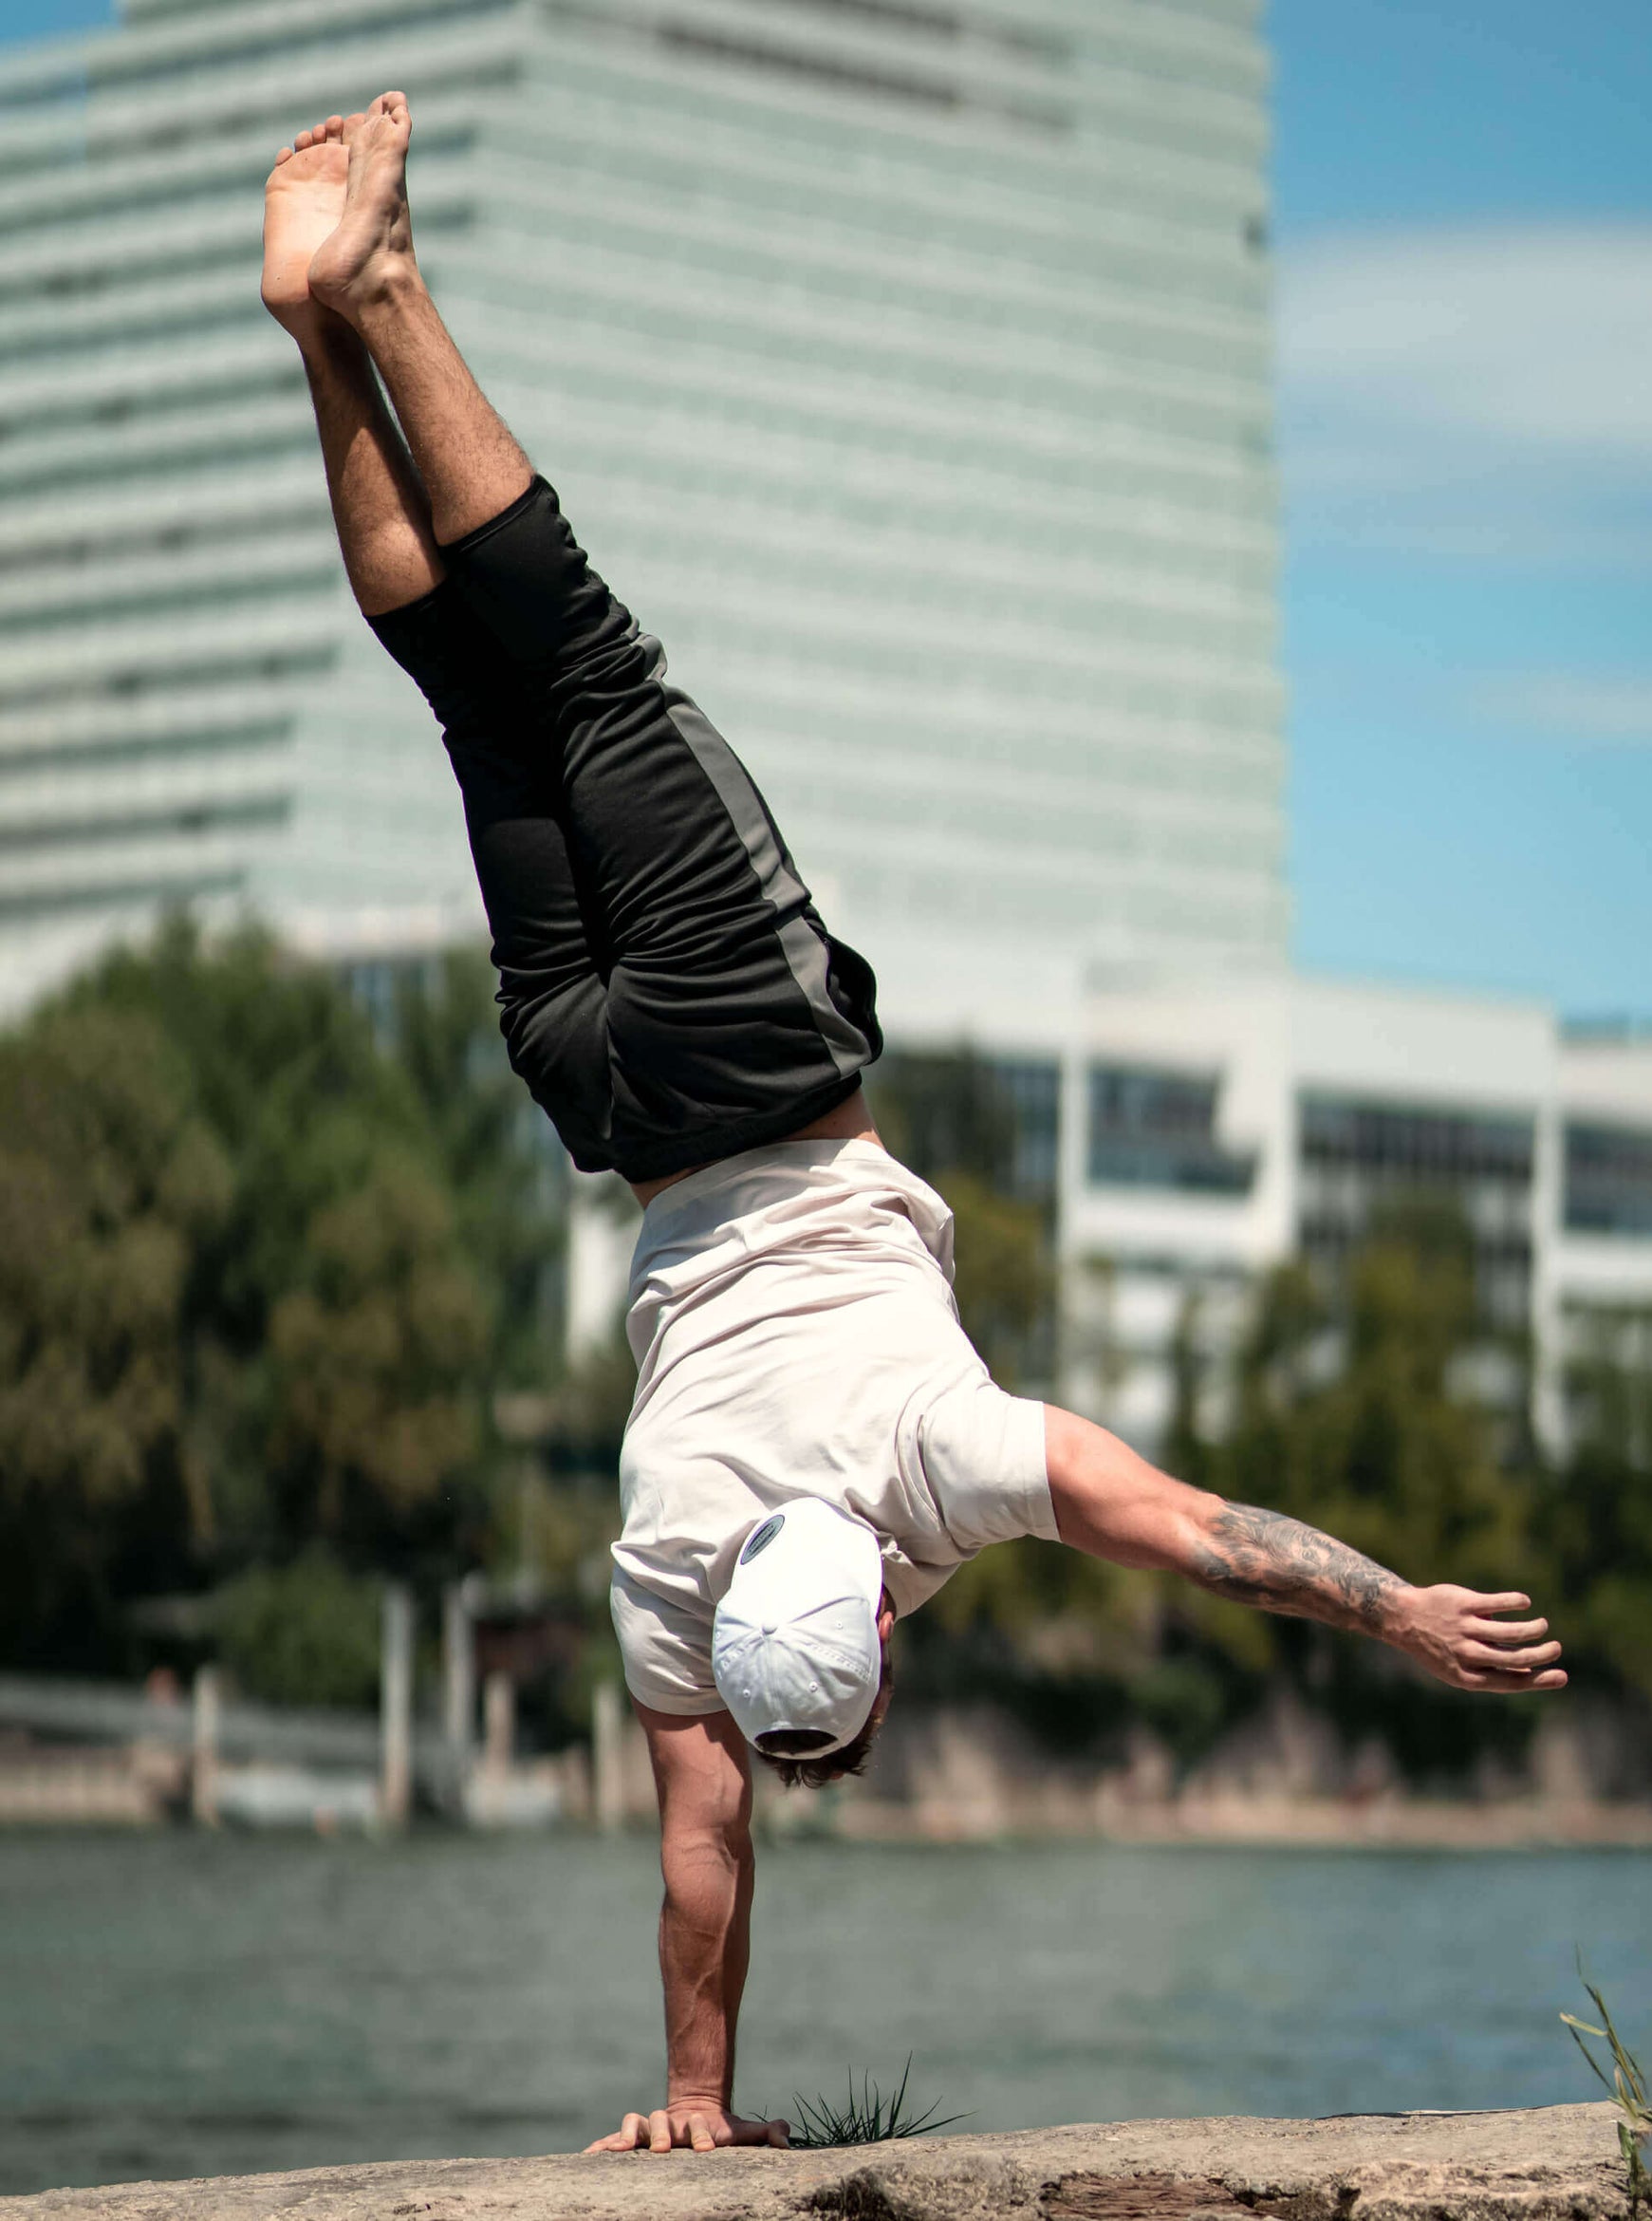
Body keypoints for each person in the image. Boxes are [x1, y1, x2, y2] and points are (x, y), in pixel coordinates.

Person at [261, 94, 1568, 2162]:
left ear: (874, 1622)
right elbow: (699, 1856)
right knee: (471, 691)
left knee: (581, 664)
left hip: (744, 1055)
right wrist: (693, 2096)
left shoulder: (937, 1472)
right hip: (599, 1097)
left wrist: (1392, 1604)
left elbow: (1204, 1538)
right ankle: (319, 339)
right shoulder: (670, 1570)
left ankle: (385, 287)